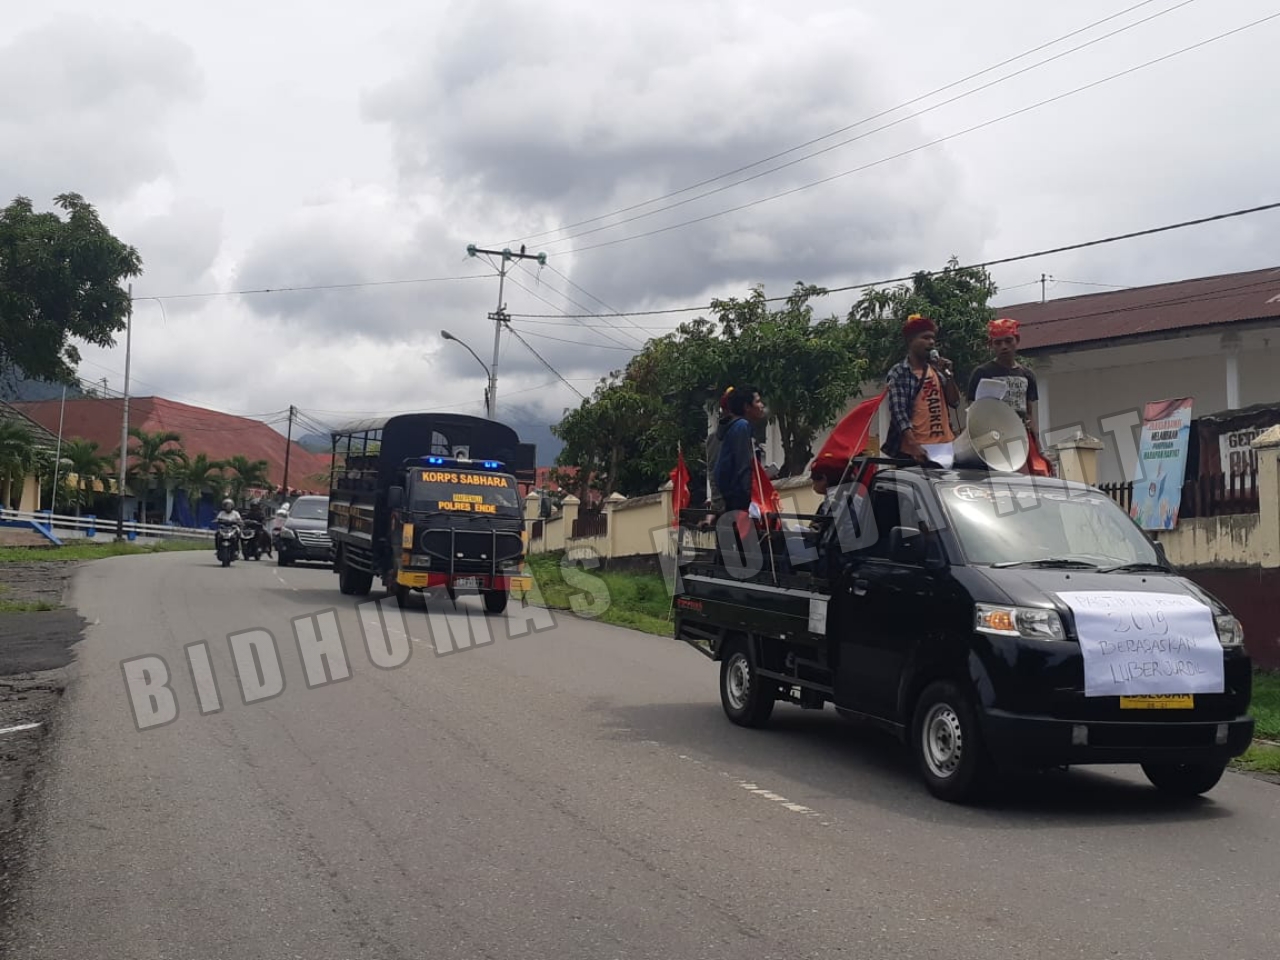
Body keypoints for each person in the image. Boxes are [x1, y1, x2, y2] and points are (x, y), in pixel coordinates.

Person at [884, 314, 960, 465]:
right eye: (925, 338)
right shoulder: (899, 372)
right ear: (911, 340)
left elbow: (955, 402)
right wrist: (913, 445)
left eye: (932, 338)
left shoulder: (937, 370)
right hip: (916, 451)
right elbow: (899, 414)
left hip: (945, 447)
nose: (931, 342)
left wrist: (949, 375)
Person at [965, 317, 1039, 442]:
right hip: (993, 438)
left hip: (1021, 437)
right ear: (990, 345)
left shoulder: (1027, 375)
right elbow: (974, 412)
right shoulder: (982, 373)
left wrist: (1038, 445)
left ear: (1017, 340)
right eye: (998, 343)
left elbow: (1029, 414)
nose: (1004, 346)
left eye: (1008, 340)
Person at [713, 385, 766, 513]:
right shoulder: (741, 427)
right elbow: (743, 466)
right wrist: (749, 501)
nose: (762, 405)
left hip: (731, 499)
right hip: (740, 502)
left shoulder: (733, 427)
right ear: (747, 407)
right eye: (757, 401)